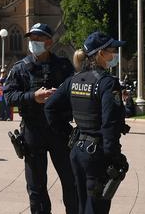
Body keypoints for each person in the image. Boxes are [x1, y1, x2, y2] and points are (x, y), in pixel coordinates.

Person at [45, 31, 128, 214]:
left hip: (78, 151)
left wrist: (69, 134)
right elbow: (109, 123)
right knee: (97, 207)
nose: (115, 54)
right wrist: (114, 157)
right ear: (100, 54)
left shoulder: (73, 80)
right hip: (97, 155)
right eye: (112, 50)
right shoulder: (107, 83)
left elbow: (50, 107)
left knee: (82, 204)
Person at [4, 22, 77, 214]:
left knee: (72, 182)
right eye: (31, 38)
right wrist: (32, 97)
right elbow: (8, 97)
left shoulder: (63, 66)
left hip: (60, 131)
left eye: (38, 38)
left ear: (49, 42)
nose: (33, 42)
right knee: (36, 187)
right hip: (33, 132)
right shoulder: (20, 68)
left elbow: (75, 94)